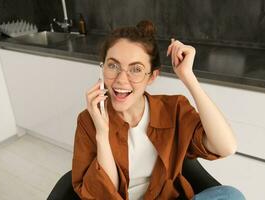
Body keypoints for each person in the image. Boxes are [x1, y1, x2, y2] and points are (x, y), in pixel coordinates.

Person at [72, 20, 245, 200]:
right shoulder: (88, 120)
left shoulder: (173, 109)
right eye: (113, 65)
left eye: (136, 69)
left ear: (152, 77)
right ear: (102, 68)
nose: (121, 80)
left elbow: (226, 147)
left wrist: (188, 77)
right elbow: (103, 195)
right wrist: (102, 132)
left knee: (231, 195)